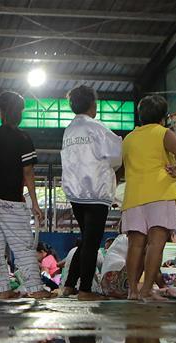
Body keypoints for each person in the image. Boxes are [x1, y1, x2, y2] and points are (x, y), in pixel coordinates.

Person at [0, 91, 48, 300]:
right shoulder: (23, 138)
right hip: (12, 201)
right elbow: (27, 173)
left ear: (0, 111)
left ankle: (3, 290)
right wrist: (35, 204)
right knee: (24, 246)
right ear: (19, 112)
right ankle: (36, 289)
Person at [121, 95, 176, 301]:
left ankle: (132, 290)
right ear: (163, 117)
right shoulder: (162, 132)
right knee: (155, 244)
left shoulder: (128, 138)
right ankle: (147, 290)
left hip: (133, 196)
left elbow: (122, 167)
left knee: (135, 245)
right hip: (159, 193)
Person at [60, 85, 122, 301]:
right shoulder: (97, 127)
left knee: (87, 239)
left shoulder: (70, 129)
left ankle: (69, 285)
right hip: (96, 191)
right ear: (92, 105)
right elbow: (116, 157)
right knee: (92, 242)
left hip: (76, 192)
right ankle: (85, 290)